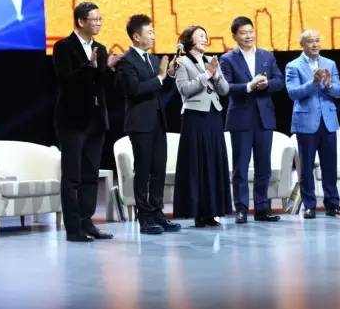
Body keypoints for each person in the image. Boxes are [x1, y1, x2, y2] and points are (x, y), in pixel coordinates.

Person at [52, 1, 122, 242]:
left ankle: (87, 222)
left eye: (101, 19)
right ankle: (73, 228)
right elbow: (66, 81)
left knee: (91, 175)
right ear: (81, 21)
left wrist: (107, 69)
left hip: (96, 120)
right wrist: (89, 67)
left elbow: (101, 85)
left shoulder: (100, 48)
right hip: (72, 121)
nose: (99, 23)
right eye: (95, 19)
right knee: (72, 176)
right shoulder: (63, 47)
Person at [116, 14, 182, 234]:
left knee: (158, 169)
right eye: (149, 32)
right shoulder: (126, 61)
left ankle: (157, 213)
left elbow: (160, 88)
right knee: (143, 170)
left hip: (158, 121)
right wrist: (160, 78)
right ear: (136, 36)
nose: (153, 36)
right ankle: (144, 218)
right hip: (140, 123)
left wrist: (169, 75)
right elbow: (134, 90)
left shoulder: (153, 59)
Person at [219, 16, 284, 224]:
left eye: (250, 31)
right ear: (235, 36)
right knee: (241, 166)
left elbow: (279, 81)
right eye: (243, 33)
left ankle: (262, 208)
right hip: (241, 118)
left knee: (263, 166)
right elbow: (226, 87)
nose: (248, 36)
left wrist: (267, 84)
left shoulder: (266, 55)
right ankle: (241, 209)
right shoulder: (227, 59)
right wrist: (249, 86)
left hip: (264, 118)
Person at [173, 25, 233, 227]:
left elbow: (224, 90)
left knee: (213, 162)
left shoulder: (211, 60)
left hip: (214, 115)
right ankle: (198, 212)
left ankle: (212, 211)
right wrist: (206, 75)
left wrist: (215, 75)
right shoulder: (182, 62)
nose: (205, 39)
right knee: (197, 163)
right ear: (189, 39)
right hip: (195, 116)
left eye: (206, 36)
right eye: (200, 36)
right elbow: (184, 89)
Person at [285, 29, 340, 219]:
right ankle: (310, 206)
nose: (315, 45)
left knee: (330, 165)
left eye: (317, 41)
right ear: (302, 45)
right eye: (310, 41)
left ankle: (332, 205)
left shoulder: (330, 63)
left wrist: (328, 85)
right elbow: (293, 93)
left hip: (328, 122)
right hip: (306, 122)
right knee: (306, 167)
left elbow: (339, 92)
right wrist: (313, 83)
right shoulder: (293, 66)